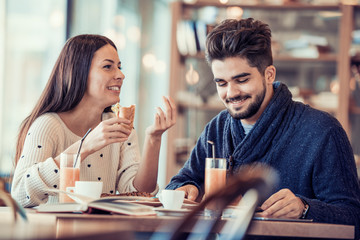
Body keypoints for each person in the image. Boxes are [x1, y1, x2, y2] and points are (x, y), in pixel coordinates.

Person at [166, 18, 360, 238]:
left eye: (242, 79)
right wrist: (185, 190)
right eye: (221, 83)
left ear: (269, 74)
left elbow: (353, 218)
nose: (231, 93)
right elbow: (180, 182)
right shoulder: (217, 129)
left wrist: (305, 208)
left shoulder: (323, 130)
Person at [11, 34, 176, 207]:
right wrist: (85, 146)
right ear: (78, 72)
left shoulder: (119, 127)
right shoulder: (48, 125)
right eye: (107, 67)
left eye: (119, 67)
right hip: (57, 232)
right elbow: (21, 195)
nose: (121, 75)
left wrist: (154, 139)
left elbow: (141, 194)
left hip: (105, 231)